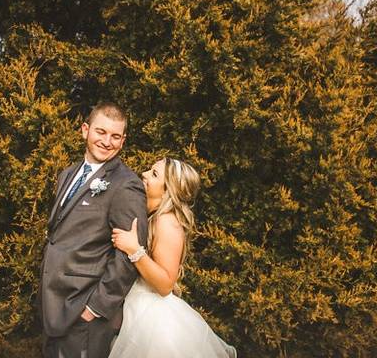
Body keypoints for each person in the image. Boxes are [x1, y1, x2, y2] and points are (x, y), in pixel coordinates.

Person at [39, 102, 149, 358]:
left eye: (115, 136)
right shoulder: (67, 175)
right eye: (101, 132)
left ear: (123, 141)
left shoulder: (126, 185)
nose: (107, 141)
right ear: (85, 130)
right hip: (52, 304)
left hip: (85, 313)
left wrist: (95, 308)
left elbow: (130, 254)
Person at [108, 158, 237, 358]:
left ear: (168, 190)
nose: (144, 174)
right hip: (136, 307)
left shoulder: (167, 221)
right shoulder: (152, 216)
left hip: (152, 320)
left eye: (154, 174)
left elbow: (165, 284)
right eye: (150, 170)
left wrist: (133, 249)